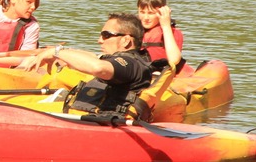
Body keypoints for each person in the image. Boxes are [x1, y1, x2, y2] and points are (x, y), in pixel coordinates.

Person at [17, 12, 158, 120]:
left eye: (106, 35)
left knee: (8, 109)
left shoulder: (129, 64)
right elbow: (93, 58)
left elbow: (98, 68)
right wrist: (57, 57)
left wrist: (57, 51)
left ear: (126, 40)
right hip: (75, 112)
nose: (99, 40)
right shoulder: (128, 60)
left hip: (86, 121)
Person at [137, 0, 185, 73]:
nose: (145, 18)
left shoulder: (173, 33)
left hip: (162, 75)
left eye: (151, 13)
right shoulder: (132, 30)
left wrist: (166, 26)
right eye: (142, 12)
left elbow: (174, 60)